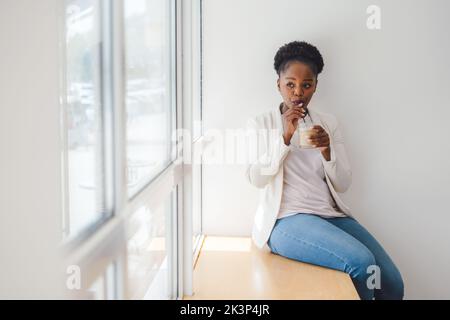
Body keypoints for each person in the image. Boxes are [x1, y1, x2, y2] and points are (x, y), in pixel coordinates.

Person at [246, 41, 404, 300]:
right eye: (290, 84)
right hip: (286, 220)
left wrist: (327, 150)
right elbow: (256, 178)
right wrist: (284, 138)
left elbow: (342, 184)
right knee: (362, 263)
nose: (298, 92)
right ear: (278, 84)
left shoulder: (327, 123)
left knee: (392, 283)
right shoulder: (261, 123)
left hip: (330, 215)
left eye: (307, 84)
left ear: (316, 86)